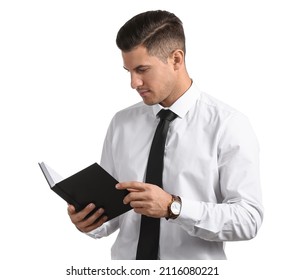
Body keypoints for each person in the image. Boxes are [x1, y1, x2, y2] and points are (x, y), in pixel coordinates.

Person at [67, 10, 263, 260]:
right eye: (128, 71)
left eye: (142, 69)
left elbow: (249, 219)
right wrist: (90, 220)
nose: (133, 83)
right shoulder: (121, 123)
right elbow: (114, 215)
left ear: (176, 60)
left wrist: (174, 207)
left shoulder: (228, 125)